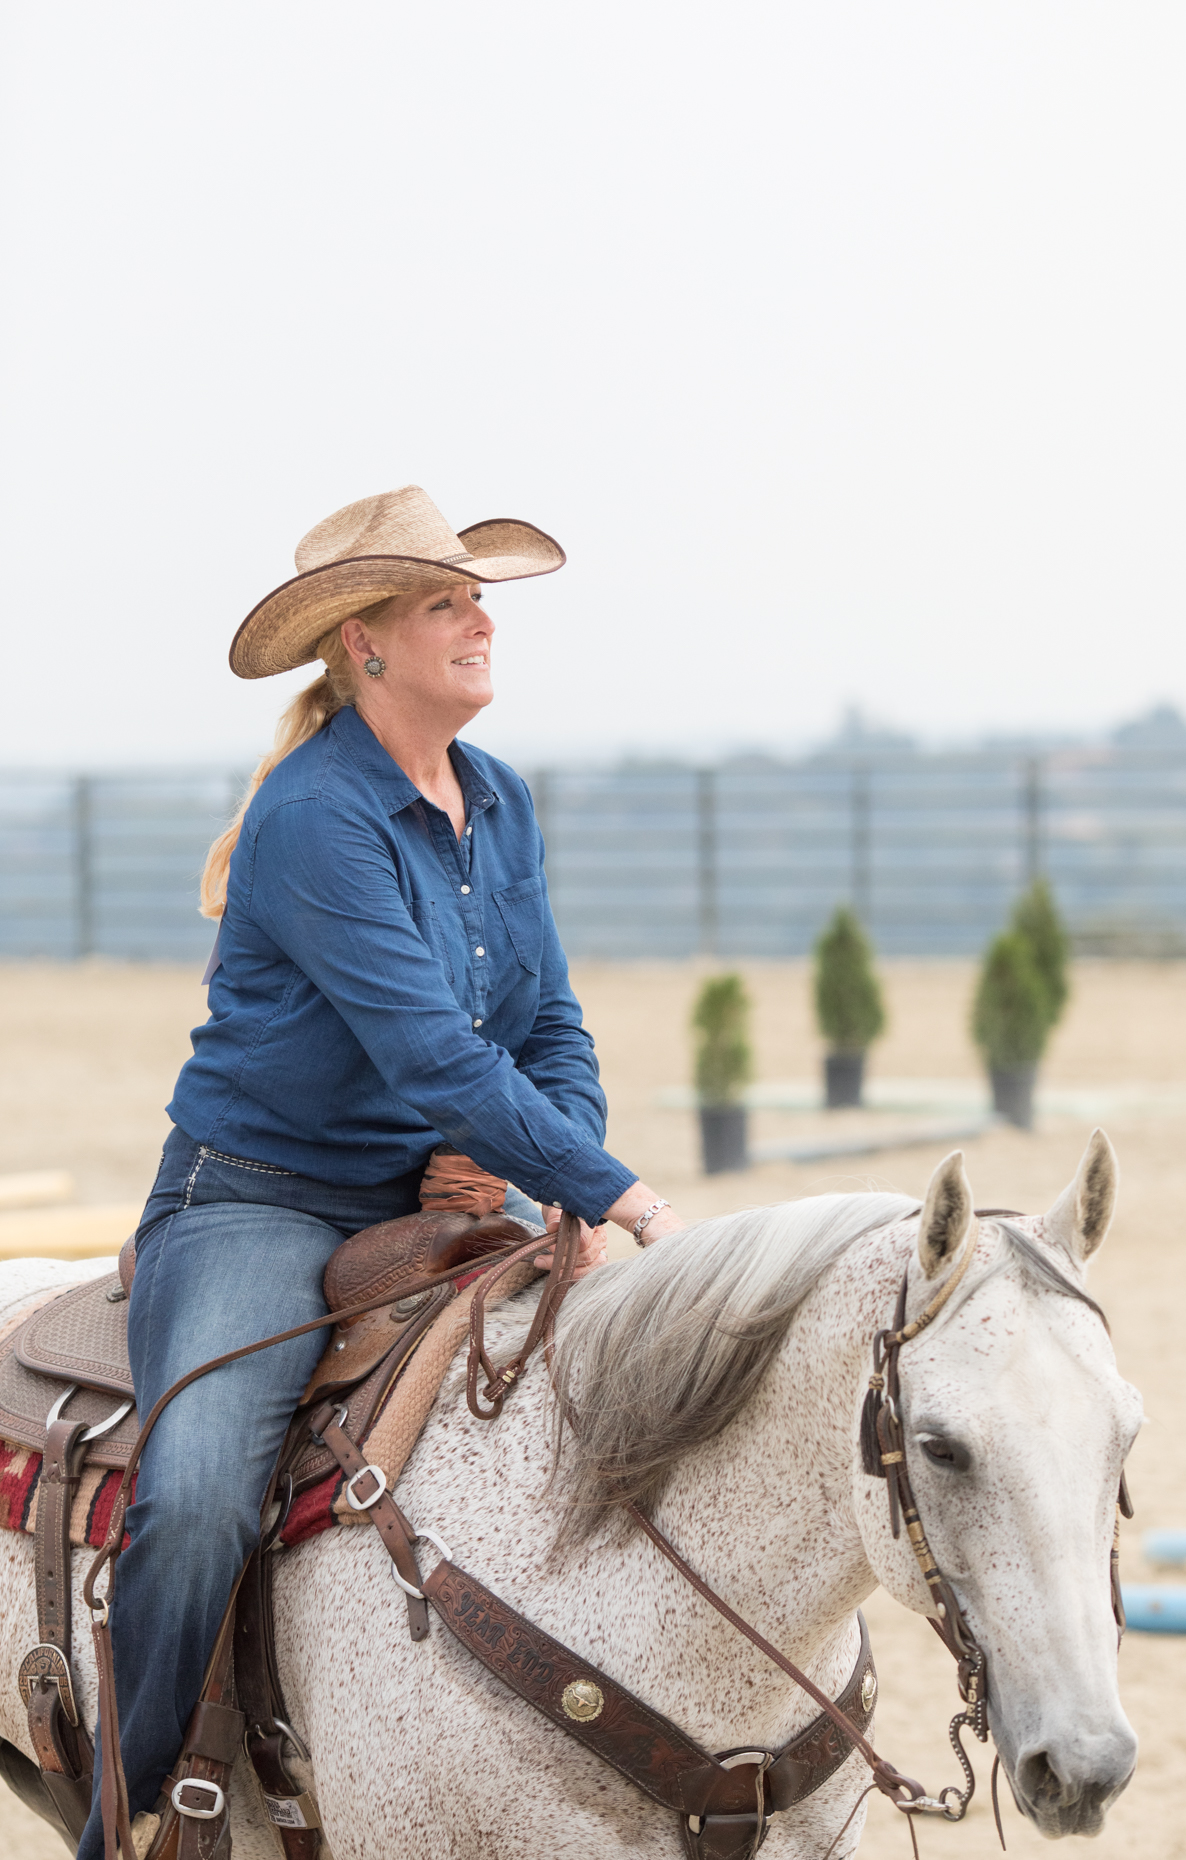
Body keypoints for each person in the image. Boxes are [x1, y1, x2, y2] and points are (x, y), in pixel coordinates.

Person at [80, 483, 685, 1860]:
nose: (481, 621)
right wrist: (615, 1192)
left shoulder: (500, 800)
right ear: (365, 645)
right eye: (445, 603)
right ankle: (136, 1824)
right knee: (202, 1494)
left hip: (436, 1193)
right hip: (256, 1196)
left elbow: (546, 1028)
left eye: (478, 599)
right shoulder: (313, 820)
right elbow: (430, 1053)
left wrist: (539, 1172)